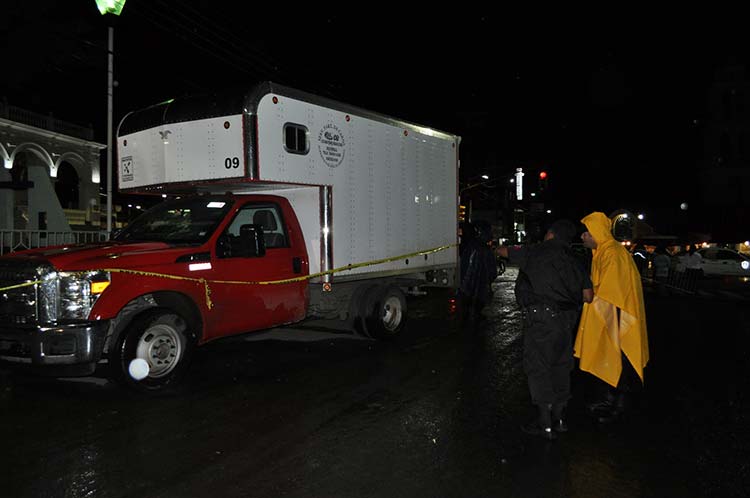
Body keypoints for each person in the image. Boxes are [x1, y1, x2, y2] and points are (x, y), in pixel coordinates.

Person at [497, 219, 593, 439]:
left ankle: (544, 423)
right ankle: (559, 420)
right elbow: (588, 296)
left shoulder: (534, 251)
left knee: (539, 368)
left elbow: (502, 251)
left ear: (550, 234)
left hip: (541, 321)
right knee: (561, 367)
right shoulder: (575, 259)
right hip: (566, 323)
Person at [575, 212, 649, 424]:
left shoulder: (611, 254)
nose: (583, 237)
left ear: (597, 233)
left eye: (586, 233)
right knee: (612, 357)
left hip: (615, 316)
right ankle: (611, 401)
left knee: (614, 357)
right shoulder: (605, 252)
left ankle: (613, 405)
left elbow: (610, 292)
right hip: (613, 314)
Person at [458, 221, 497, 322]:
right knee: (475, 310)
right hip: (479, 287)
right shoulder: (485, 250)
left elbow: (465, 266)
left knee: (467, 312)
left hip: (469, 287)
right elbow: (492, 270)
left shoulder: (471, 246)